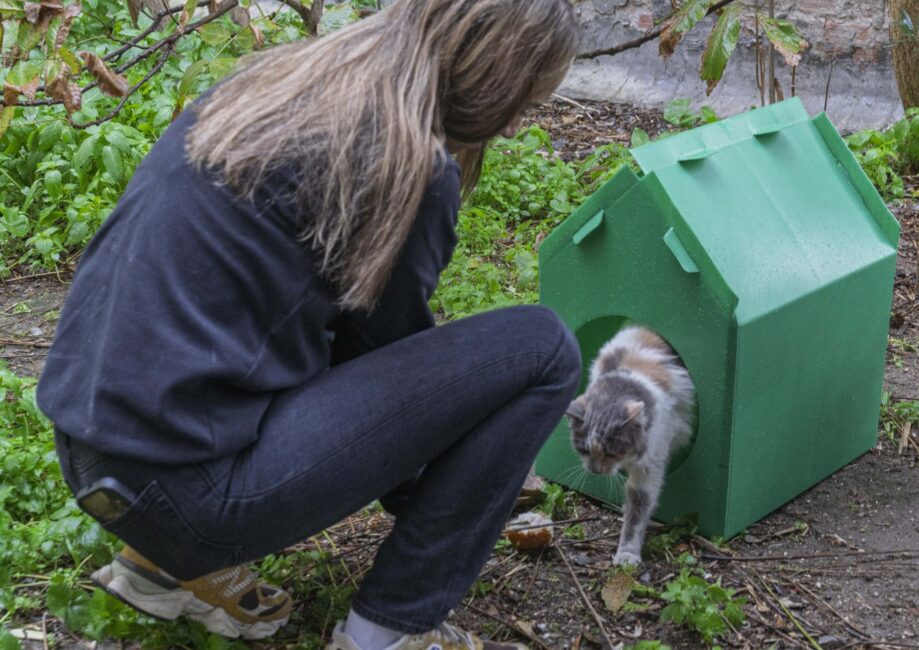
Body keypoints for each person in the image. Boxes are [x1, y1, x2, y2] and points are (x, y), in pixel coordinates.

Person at [36, 2, 582, 649]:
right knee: (543, 349)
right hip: (190, 499)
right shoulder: (405, 164)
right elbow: (391, 362)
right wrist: (456, 495)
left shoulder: (272, 88)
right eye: (525, 96)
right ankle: (389, 630)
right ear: (491, 72)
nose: (519, 123)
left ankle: (165, 569)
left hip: (94, 455)